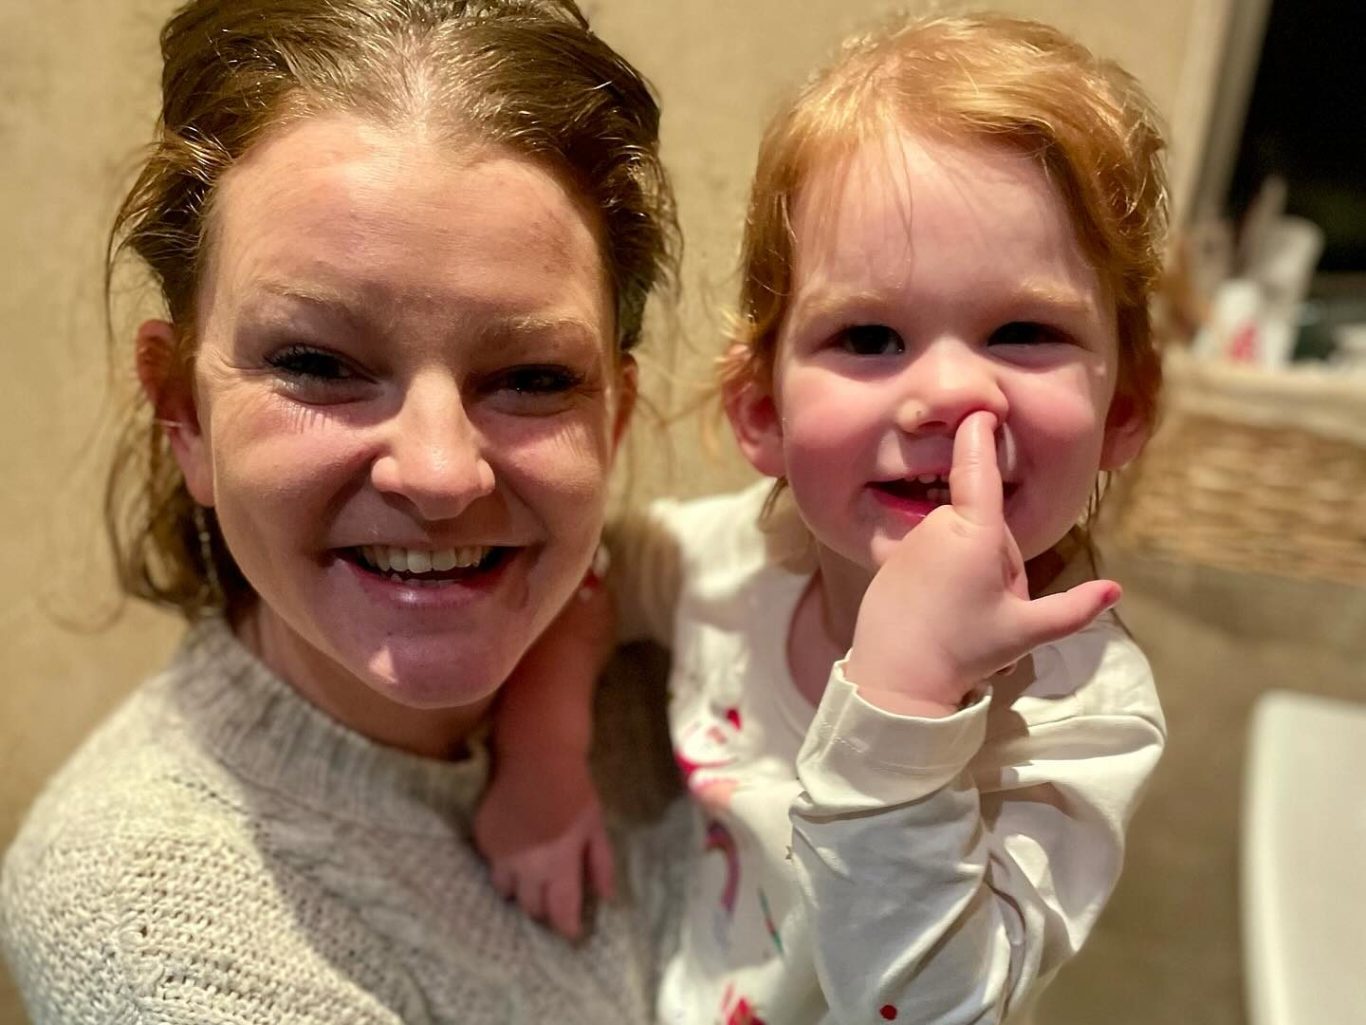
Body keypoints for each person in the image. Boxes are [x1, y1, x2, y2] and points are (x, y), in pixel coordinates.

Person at [473, 12, 1169, 1024]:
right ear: (761, 411)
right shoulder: (737, 558)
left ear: (1124, 409)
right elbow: (588, 579)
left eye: (1023, 331)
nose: (946, 393)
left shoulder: (1078, 706)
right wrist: (543, 753)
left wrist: (906, 700)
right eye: (870, 335)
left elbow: (937, 1006)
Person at [0, 1, 687, 1021]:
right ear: (182, 409)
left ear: (616, 413)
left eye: (535, 376)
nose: (442, 472)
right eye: (319, 363)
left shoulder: (703, 645)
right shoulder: (155, 922)